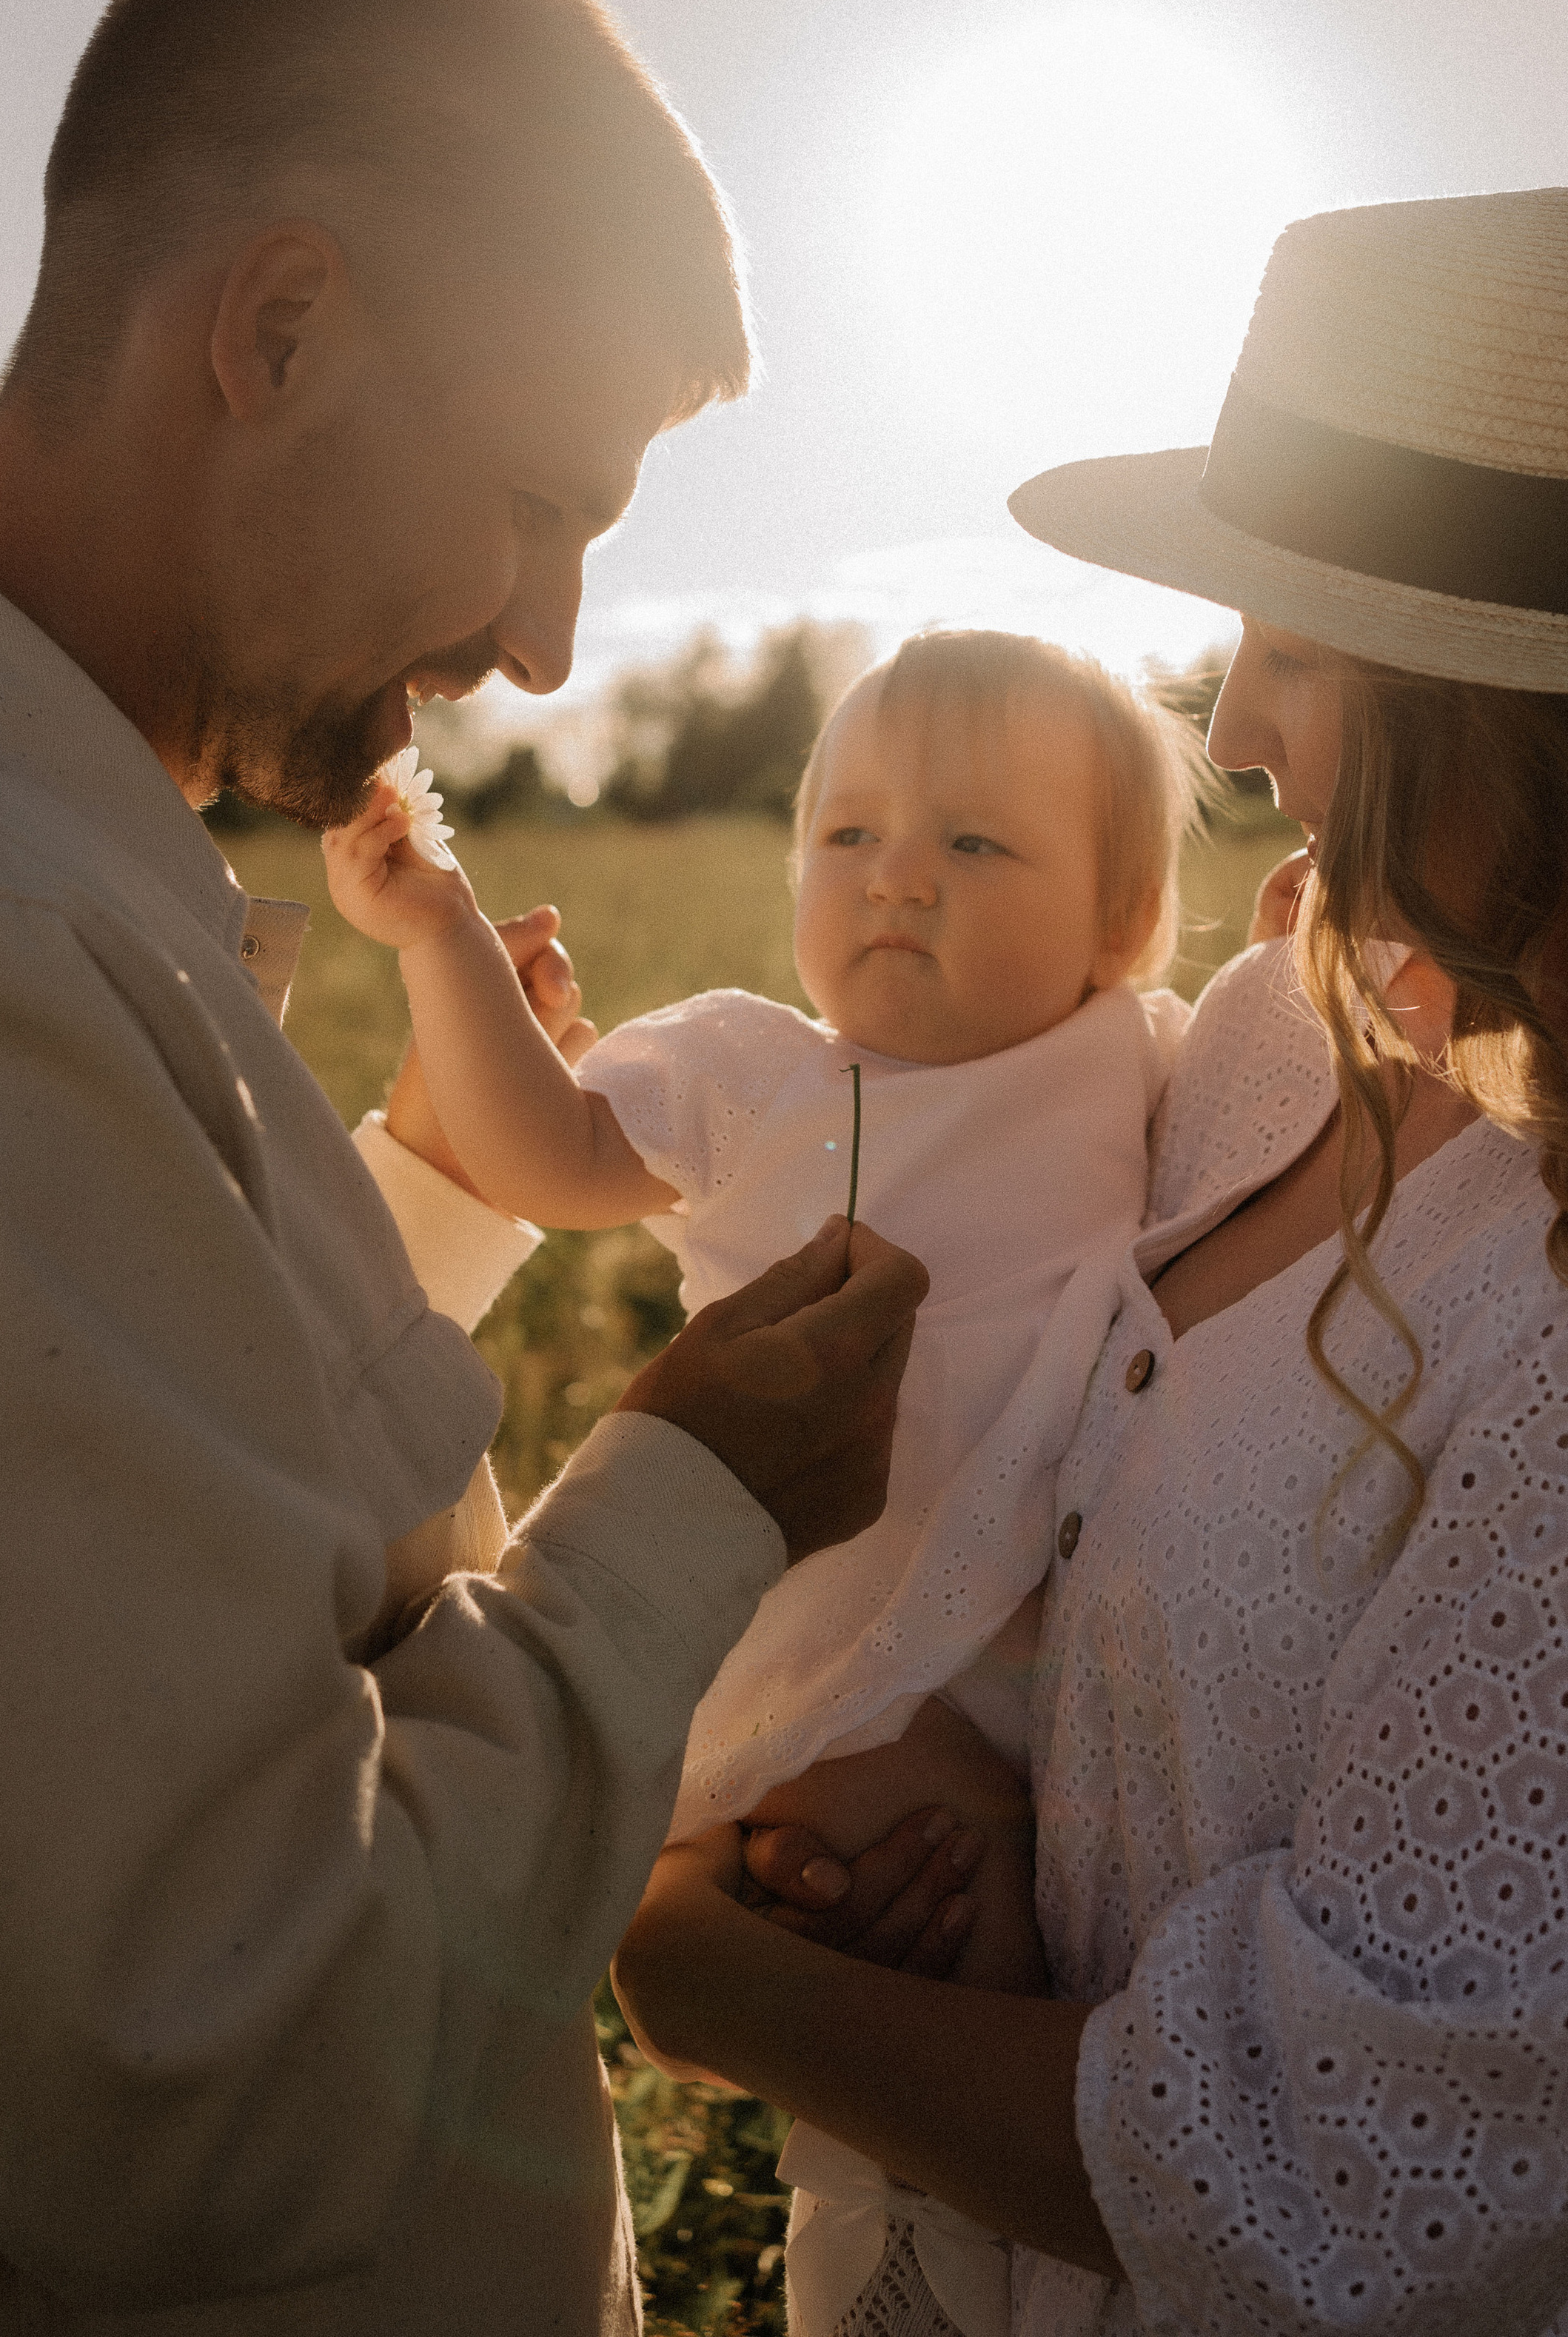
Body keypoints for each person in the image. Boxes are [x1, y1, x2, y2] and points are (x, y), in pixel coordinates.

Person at [611, 185, 1568, 2337]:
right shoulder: (1295, 1024)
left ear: (1535, 695)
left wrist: (691, 1966)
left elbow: (1369, 2196)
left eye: (1295, 642)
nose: (1237, 725)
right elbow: (1096, 1520)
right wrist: (976, 1787)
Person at [0, 0, 930, 2335]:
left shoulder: (65, 869)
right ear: (275, 333)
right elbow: (225, 2071)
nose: (545, 640)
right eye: (536, 500)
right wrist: (692, 1500)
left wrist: (424, 1219)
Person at [325, 629, 1205, 2337]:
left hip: (1041, 1658)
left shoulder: (1144, 1063)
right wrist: (443, 944)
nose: (897, 882)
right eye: (847, 835)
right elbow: (550, 1158)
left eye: (974, 843)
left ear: (1115, 922)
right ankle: (893, 2296)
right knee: (914, 2008)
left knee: (1021, 1993)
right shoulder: (754, 1074)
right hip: (833, 1657)